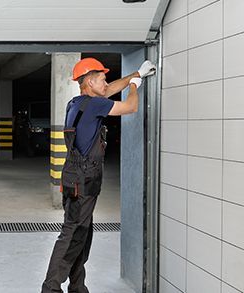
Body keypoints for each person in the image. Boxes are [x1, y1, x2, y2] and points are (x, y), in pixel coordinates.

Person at [41, 57, 156, 293]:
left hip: (78, 178)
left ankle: (77, 287)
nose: (106, 84)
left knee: (82, 234)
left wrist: (137, 73)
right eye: (102, 79)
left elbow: (109, 90)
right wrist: (134, 85)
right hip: (83, 180)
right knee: (73, 234)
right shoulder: (94, 105)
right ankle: (50, 288)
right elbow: (130, 107)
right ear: (90, 82)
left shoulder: (77, 103)